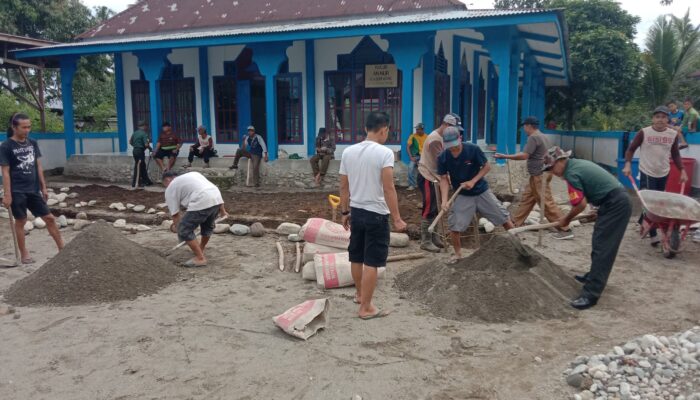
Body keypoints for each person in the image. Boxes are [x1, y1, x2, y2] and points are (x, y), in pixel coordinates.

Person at [544, 147, 632, 310]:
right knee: (599, 242)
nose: (552, 173)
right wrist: (597, 209)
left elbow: (579, 204)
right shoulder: (577, 164)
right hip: (612, 201)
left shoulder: (571, 173)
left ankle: (591, 294)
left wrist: (566, 219)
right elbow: (594, 187)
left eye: (551, 168)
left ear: (560, 161)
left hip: (616, 204)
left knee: (603, 248)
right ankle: (593, 276)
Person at [339, 111, 407, 320]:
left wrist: (345, 211)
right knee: (372, 261)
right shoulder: (384, 153)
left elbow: (343, 186)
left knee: (356, 255)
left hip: (357, 212)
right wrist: (396, 218)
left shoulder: (348, 152)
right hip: (376, 214)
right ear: (384, 129)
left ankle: (360, 295)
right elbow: (388, 188)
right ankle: (366, 308)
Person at [439, 127, 514, 263]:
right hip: (463, 195)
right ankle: (458, 254)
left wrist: (473, 181)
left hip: (481, 191)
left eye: (455, 146)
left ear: (460, 139)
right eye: (450, 147)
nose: (453, 150)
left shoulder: (472, 149)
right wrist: (444, 201)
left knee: (503, 217)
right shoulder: (443, 157)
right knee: (455, 225)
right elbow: (443, 179)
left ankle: (518, 246)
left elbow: (487, 166)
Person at [495, 116, 573, 239]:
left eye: (524, 126)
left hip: (539, 175)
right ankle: (514, 225)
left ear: (529, 126)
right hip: (538, 174)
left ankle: (565, 229)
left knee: (547, 203)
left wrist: (505, 156)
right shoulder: (542, 136)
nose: (524, 129)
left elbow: (524, 155)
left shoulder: (534, 137)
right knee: (526, 200)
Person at [1, 113, 64, 264]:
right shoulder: (6, 146)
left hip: (33, 189)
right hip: (17, 190)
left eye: (29, 127)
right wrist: (7, 194)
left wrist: (44, 187)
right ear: (14, 127)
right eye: (24, 127)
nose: (27, 130)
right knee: (21, 220)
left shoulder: (32, 143)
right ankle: (24, 253)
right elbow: (5, 171)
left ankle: (62, 249)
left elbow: (38, 165)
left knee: (49, 218)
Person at [623, 106, 688, 246]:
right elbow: (631, 149)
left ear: (667, 119)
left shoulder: (672, 134)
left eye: (663, 117)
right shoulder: (644, 132)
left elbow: (675, 153)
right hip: (647, 171)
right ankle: (653, 235)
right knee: (650, 203)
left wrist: (682, 170)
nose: (660, 119)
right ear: (653, 119)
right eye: (657, 117)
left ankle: (643, 221)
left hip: (663, 172)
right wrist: (627, 164)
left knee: (658, 203)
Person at [417, 114, 463, 253]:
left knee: (436, 208)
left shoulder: (442, 137)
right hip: (428, 177)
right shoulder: (435, 140)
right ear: (447, 125)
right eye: (454, 129)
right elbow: (443, 161)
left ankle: (434, 237)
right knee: (429, 208)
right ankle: (425, 241)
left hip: (435, 177)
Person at [162, 171, 228, 268]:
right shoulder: (193, 174)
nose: (166, 187)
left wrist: (180, 230)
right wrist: (223, 211)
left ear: (167, 180)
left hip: (201, 199)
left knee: (185, 229)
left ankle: (200, 258)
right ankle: (200, 249)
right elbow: (211, 188)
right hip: (216, 198)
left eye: (164, 184)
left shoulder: (170, 188)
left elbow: (175, 215)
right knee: (207, 227)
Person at [129, 121, 153, 188]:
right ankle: (135, 183)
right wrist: (150, 149)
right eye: (146, 126)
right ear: (144, 126)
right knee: (138, 166)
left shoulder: (135, 133)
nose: (147, 128)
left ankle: (146, 181)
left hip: (135, 151)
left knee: (142, 166)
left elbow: (130, 142)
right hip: (140, 151)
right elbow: (146, 144)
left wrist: (135, 146)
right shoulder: (144, 134)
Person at [406, 123, 426, 191]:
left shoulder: (427, 137)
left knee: (425, 170)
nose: (416, 131)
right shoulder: (413, 136)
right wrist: (411, 157)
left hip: (424, 156)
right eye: (416, 129)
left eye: (418, 129)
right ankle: (412, 185)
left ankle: (424, 185)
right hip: (415, 156)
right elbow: (408, 147)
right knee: (410, 168)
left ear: (422, 129)